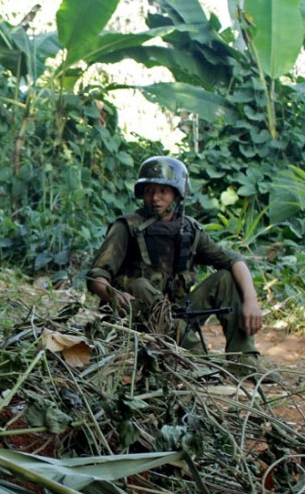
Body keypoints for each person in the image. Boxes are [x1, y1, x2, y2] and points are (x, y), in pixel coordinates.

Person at [86, 156, 276, 379]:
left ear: (177, 193)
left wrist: (251, 300)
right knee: (139, 285)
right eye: (149, 190)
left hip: (179, 314)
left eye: (163, 191)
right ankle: (194, 358)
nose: (155, 198)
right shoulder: (127, 227)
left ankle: (242, 359)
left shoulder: (189, 230)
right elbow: (96, 276)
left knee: (226, 278)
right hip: (138, 320)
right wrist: (114, 295)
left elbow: (234, 260)